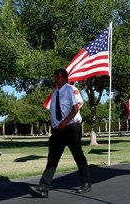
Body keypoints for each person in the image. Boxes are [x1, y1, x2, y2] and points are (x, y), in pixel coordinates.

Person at [29, 68, 91, 198]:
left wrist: (65, 122)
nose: (55, 79)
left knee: (78, 155)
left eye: (57, 77)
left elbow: (75, 108)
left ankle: (86, 182)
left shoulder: (70, 89)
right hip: (58, 131)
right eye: (54, 77)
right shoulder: (55, 93)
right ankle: (44, 187)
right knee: (52, 158)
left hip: (71, 128)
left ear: (64, 78)